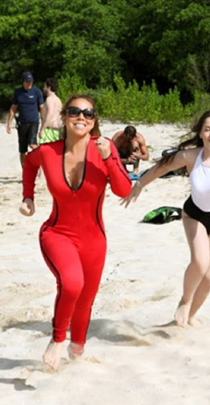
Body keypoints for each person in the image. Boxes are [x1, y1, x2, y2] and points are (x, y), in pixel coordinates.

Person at [20, 94, 132, 370]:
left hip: (94, 240)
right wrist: (28, 197)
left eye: (88, 113)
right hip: (57, 233)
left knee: (85, 301)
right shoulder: (48, 152)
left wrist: (109, 160)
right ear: (65, 117)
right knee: (71, 284)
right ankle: (57, 339)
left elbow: (124, 190)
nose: (81, 117)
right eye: (75, 112)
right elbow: (30, 163)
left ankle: (77, 348)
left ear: (94, 121)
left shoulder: (104, 149)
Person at [122, 110, 210, 327]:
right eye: (207, 129)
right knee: (200, 261)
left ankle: (189, 317)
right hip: (194, 214)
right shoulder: (190, 156)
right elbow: (161, 167)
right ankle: (185, 301)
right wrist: (139, 185)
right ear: (201, 133)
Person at [6, 71, 45, 167]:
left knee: (32, 143)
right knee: (22, 149)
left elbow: (42, 108)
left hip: (33, 121)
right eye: (27, 81)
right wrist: (9, 123)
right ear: (23, 81)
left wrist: (44, 125)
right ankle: (25, 171)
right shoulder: (17, 92)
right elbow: (13, 108)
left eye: (30, 81)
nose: (29, 83)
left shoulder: (37, 92)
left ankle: (43, 161)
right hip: (22, 123)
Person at [38, 78, 63, 144]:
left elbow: (50, 114)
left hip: (49, 130)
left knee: (43, 151)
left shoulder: (49, 99)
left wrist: (42, 129)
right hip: (57, 131)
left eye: (44, 86)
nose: (43, 88)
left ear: (48, 87)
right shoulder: (58, 100)